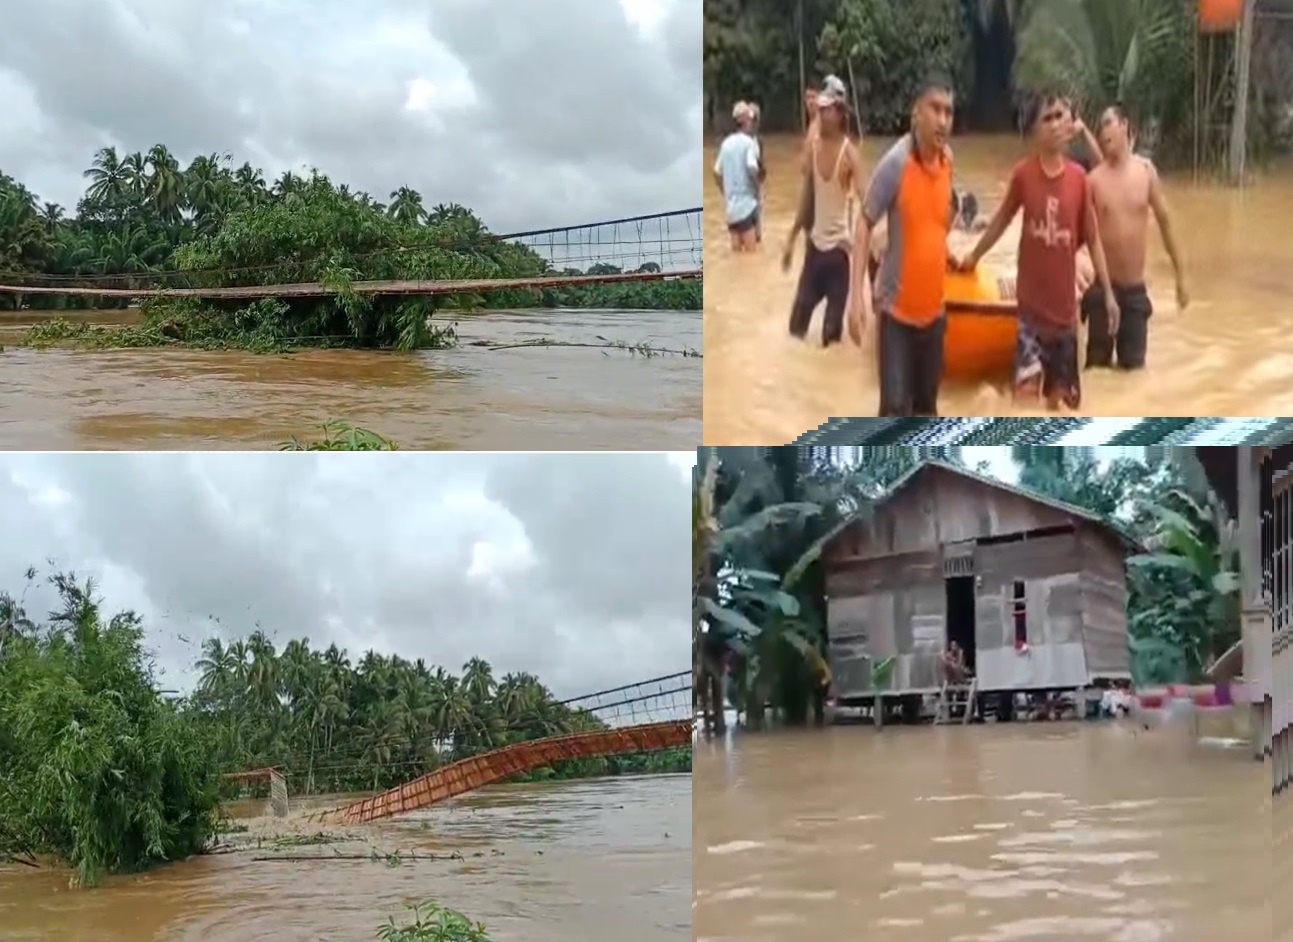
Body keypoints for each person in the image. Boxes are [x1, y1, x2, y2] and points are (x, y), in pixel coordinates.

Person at [956, 92, 1118, 411]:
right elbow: (1000, 222)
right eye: (1048, 118)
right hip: (1030, 319)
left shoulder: (1079, 180)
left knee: (1062, 411)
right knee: (1024, 410)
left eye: (1060, 115)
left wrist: (1109, 294)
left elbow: (1094, 238)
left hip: (1065, 321)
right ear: (1033, 130)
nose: (1056, 124)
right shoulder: (1023, 176)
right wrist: (972, 257)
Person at [849, 74, 957, 417]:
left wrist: (947, 252)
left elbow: (938, 216)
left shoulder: (947, 161)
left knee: (927, 410)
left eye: (949, 112)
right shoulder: (896, 164)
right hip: (897, 317)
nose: (943, 120)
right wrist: (856, 298)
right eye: (935, 109)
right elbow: (865, 222)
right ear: (916, 114)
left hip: (934, 314)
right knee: (895, 411)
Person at [1072, 105, 1189, 370]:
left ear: (1124, 125)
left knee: (1134, 373)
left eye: (1108, 123)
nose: (1103, 131)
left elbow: (1166, 225)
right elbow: (1076, 236)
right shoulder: (1092, 181)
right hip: (1103, 291)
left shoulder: (1145, 172)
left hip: (1135, 293)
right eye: (1100, 127)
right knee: (1096, 371)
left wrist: (1180, 278)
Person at [782, 77, 865, 346]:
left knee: (831, 339)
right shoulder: (814, 145)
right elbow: (806, 197)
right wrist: (791, 240)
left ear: (840, 113)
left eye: (826, 109)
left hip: (839, 256)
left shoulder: (851, 154)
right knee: (795, 331)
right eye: (820, 108)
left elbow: (868, 204)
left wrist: (869, 247)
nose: (821, 112)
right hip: (814, 252)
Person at [713, 101, 762, 252]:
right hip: (747, 206)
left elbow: (716, 172)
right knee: (752, 259)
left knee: (737, 256)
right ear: (747, 121)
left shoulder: (726, 144)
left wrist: (725, 193)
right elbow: (752, 167)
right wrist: (757, 191)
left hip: (731, 211)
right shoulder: (749, 143)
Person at [749, 102, 768, 243]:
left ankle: (757, 237)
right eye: (751, 119)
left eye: (755, 119)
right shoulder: (741, 140)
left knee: (758, 217)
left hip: (757, 183)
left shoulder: (758, 140)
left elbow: (761, 162)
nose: (753, 123)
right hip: (746, 185)